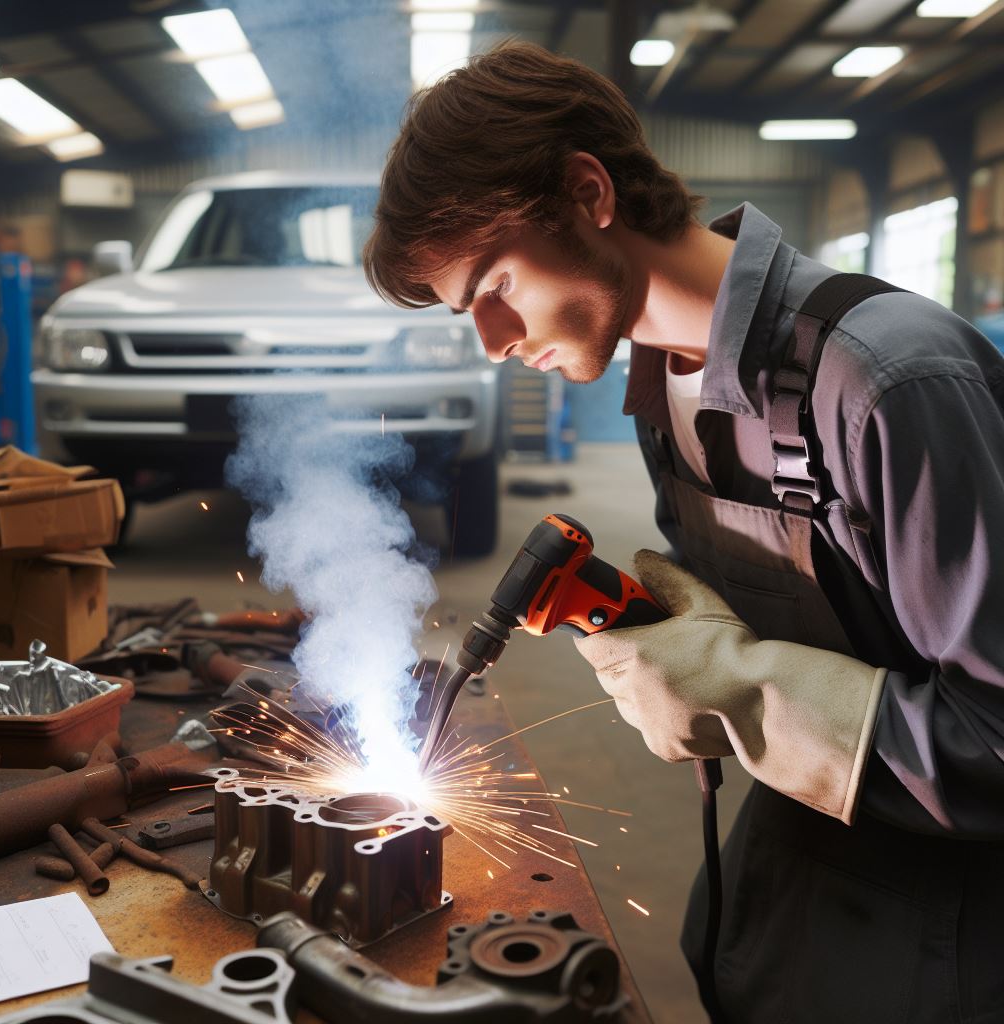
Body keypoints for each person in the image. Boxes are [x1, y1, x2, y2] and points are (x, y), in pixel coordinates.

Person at [363, 41, 1004, 1024]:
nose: (492, 343)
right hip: (777, 890)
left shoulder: (888, 382)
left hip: (946, 936)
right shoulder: (659, 383)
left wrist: (748, 694)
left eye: (494, 285)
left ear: (587, 193)